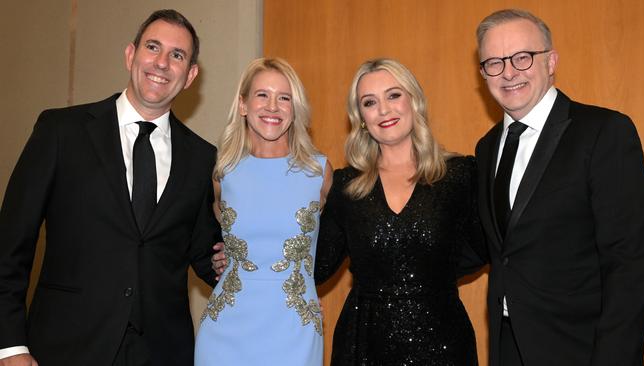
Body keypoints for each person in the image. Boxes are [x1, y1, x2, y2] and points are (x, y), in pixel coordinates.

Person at [0, 9, 225, 366]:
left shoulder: (203, 158)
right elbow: (10, 245)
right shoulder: (61, 132)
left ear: (190, 75)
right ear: (130, 55)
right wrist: (10, 346)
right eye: (153, 47)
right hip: (65, 348)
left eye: (177, 55)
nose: (162, 63)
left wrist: (261, 272)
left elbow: (205, 252)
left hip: (162, 353)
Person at [474, 9, 644, 366]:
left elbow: (629, 263)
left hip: (582, 350)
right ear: (482, 73)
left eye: (522, 57)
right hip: (507, 348)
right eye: (494, 62)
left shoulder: (604, 133)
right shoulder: (486, 147)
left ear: (550, 61)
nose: (508, 72)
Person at [315, 58, 486, 365]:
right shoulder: (345, 185)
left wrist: (430, 276)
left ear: (414, 101)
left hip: (442, 339)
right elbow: (317, 265)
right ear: (361, 118)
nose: (383, 110)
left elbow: (484, 247)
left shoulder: (460, 175)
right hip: (363, 343)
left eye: (393, 95)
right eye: (370, 102)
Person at [195, 57, 331, 366]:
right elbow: (202, 235)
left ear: (295, 110)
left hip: (294, 330)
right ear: (243, 105)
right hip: (225, 331)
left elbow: (340, 243)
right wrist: (217, 256)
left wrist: (308, 284)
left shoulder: (319, 172)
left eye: (284, 98)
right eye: (262, 95)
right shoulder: (223, 172)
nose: (273, 106)